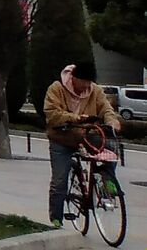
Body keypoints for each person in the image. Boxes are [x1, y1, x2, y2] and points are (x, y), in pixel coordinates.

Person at [45, 62, 121, 224]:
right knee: (59, 181)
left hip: (87, 135)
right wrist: (76, 118)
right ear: (73, 78)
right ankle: (56, 219)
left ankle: (107, 181)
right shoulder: (57, 88)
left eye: (89, 82)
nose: (86, 86)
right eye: (83, 82)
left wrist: (112, 122)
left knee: (109, 147)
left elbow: (106, 109)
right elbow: (52, 113)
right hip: (62, 138)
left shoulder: (95, 90)